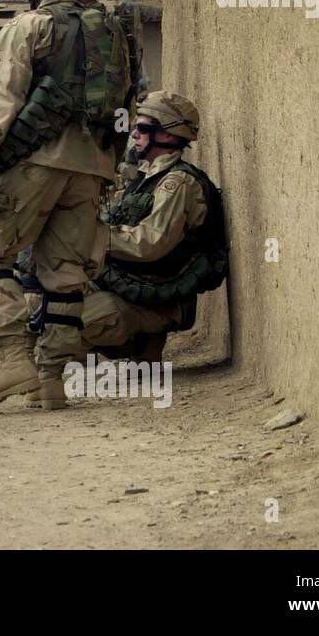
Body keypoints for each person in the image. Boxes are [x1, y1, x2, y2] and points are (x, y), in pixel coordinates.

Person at [0, 0, 133, 407]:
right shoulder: (112, 30)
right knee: (64, 272)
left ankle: (14, 357)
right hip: (93, 165)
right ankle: (51, 379)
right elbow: (126, 102)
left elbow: (2, 102)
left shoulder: (28, 26)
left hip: (35, 163)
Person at [30, 91, 228, 408]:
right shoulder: (144, 178)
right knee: (42, 303)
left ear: (167, 134)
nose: (134, 134)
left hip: (160, 298)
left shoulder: (177, 183)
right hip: (134, 289)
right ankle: (140, 350)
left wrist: (89, 236)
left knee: (68, 322)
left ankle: (133, 344)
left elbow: (150, 244)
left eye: (143, 128)